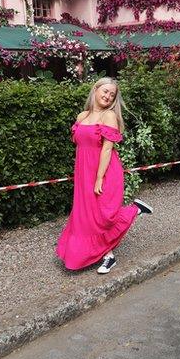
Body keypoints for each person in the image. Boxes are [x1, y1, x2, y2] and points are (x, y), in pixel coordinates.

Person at [57, 77, 153, 274]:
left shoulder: (109, 117)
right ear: (96, 89)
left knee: (104, 216)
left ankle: (134, 210)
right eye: (105, 91)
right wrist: (87, 175)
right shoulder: (82, 116)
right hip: (84, 171)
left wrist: (99, 177)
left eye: (112, 94)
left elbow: (107, 150)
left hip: (105, 170)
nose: (108, 96)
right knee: (86, 216)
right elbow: (80, 145)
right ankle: (108, 256)